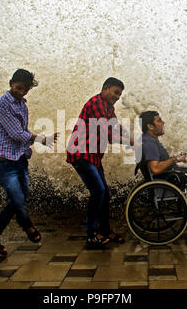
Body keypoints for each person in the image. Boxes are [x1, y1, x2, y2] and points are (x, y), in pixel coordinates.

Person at [0, 69, 59, 256]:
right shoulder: (1, 104)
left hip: (20, 158)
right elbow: (16, 133)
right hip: (5, 160)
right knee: (17, 199)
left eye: (25, 90)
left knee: (20, 199)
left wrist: (31, 146)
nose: (21, 92)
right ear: (10, 83)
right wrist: (42, 139)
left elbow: (21, 131)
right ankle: (28, 227)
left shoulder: (23, 105)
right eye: (18, 88)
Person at [66, 77, 134, 248]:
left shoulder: (108, 107)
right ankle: (91, 235)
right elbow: (107, 134)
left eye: (120, 94)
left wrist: (134, 138)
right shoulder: (96, 103)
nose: (118, 97)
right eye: (115, 92)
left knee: (105, 194)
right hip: (81, 153)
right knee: (98, 191)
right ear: (105, 89)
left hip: (93, 156)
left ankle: (104, 230)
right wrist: (130, 143)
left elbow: (116, 127)